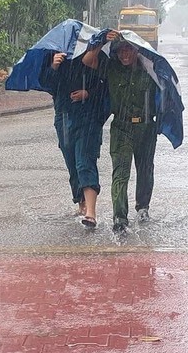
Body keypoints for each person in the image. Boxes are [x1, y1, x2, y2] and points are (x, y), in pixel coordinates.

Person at [84, 31, 159, 233]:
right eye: (120, 51)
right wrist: (101, 41)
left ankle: (143, 208)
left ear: (136, 51)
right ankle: (120, 217)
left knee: (145, 169)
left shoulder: (149, 69)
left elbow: (165, 92)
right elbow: (88, 59)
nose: (124, 54)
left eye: (128, 50)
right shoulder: (111, 68)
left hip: (146, 127)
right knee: (121, 172)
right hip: (121, 127)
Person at [41, 49, 108, 228]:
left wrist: (88, 94)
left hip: (88, 118)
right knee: (72, 164)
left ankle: (91, 213)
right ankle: (82, 203)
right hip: (63, 118)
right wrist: (54, 66)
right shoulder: (54, 55)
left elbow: (105, 84)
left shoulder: (92, 54)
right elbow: (47, 85)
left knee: (84, 161)